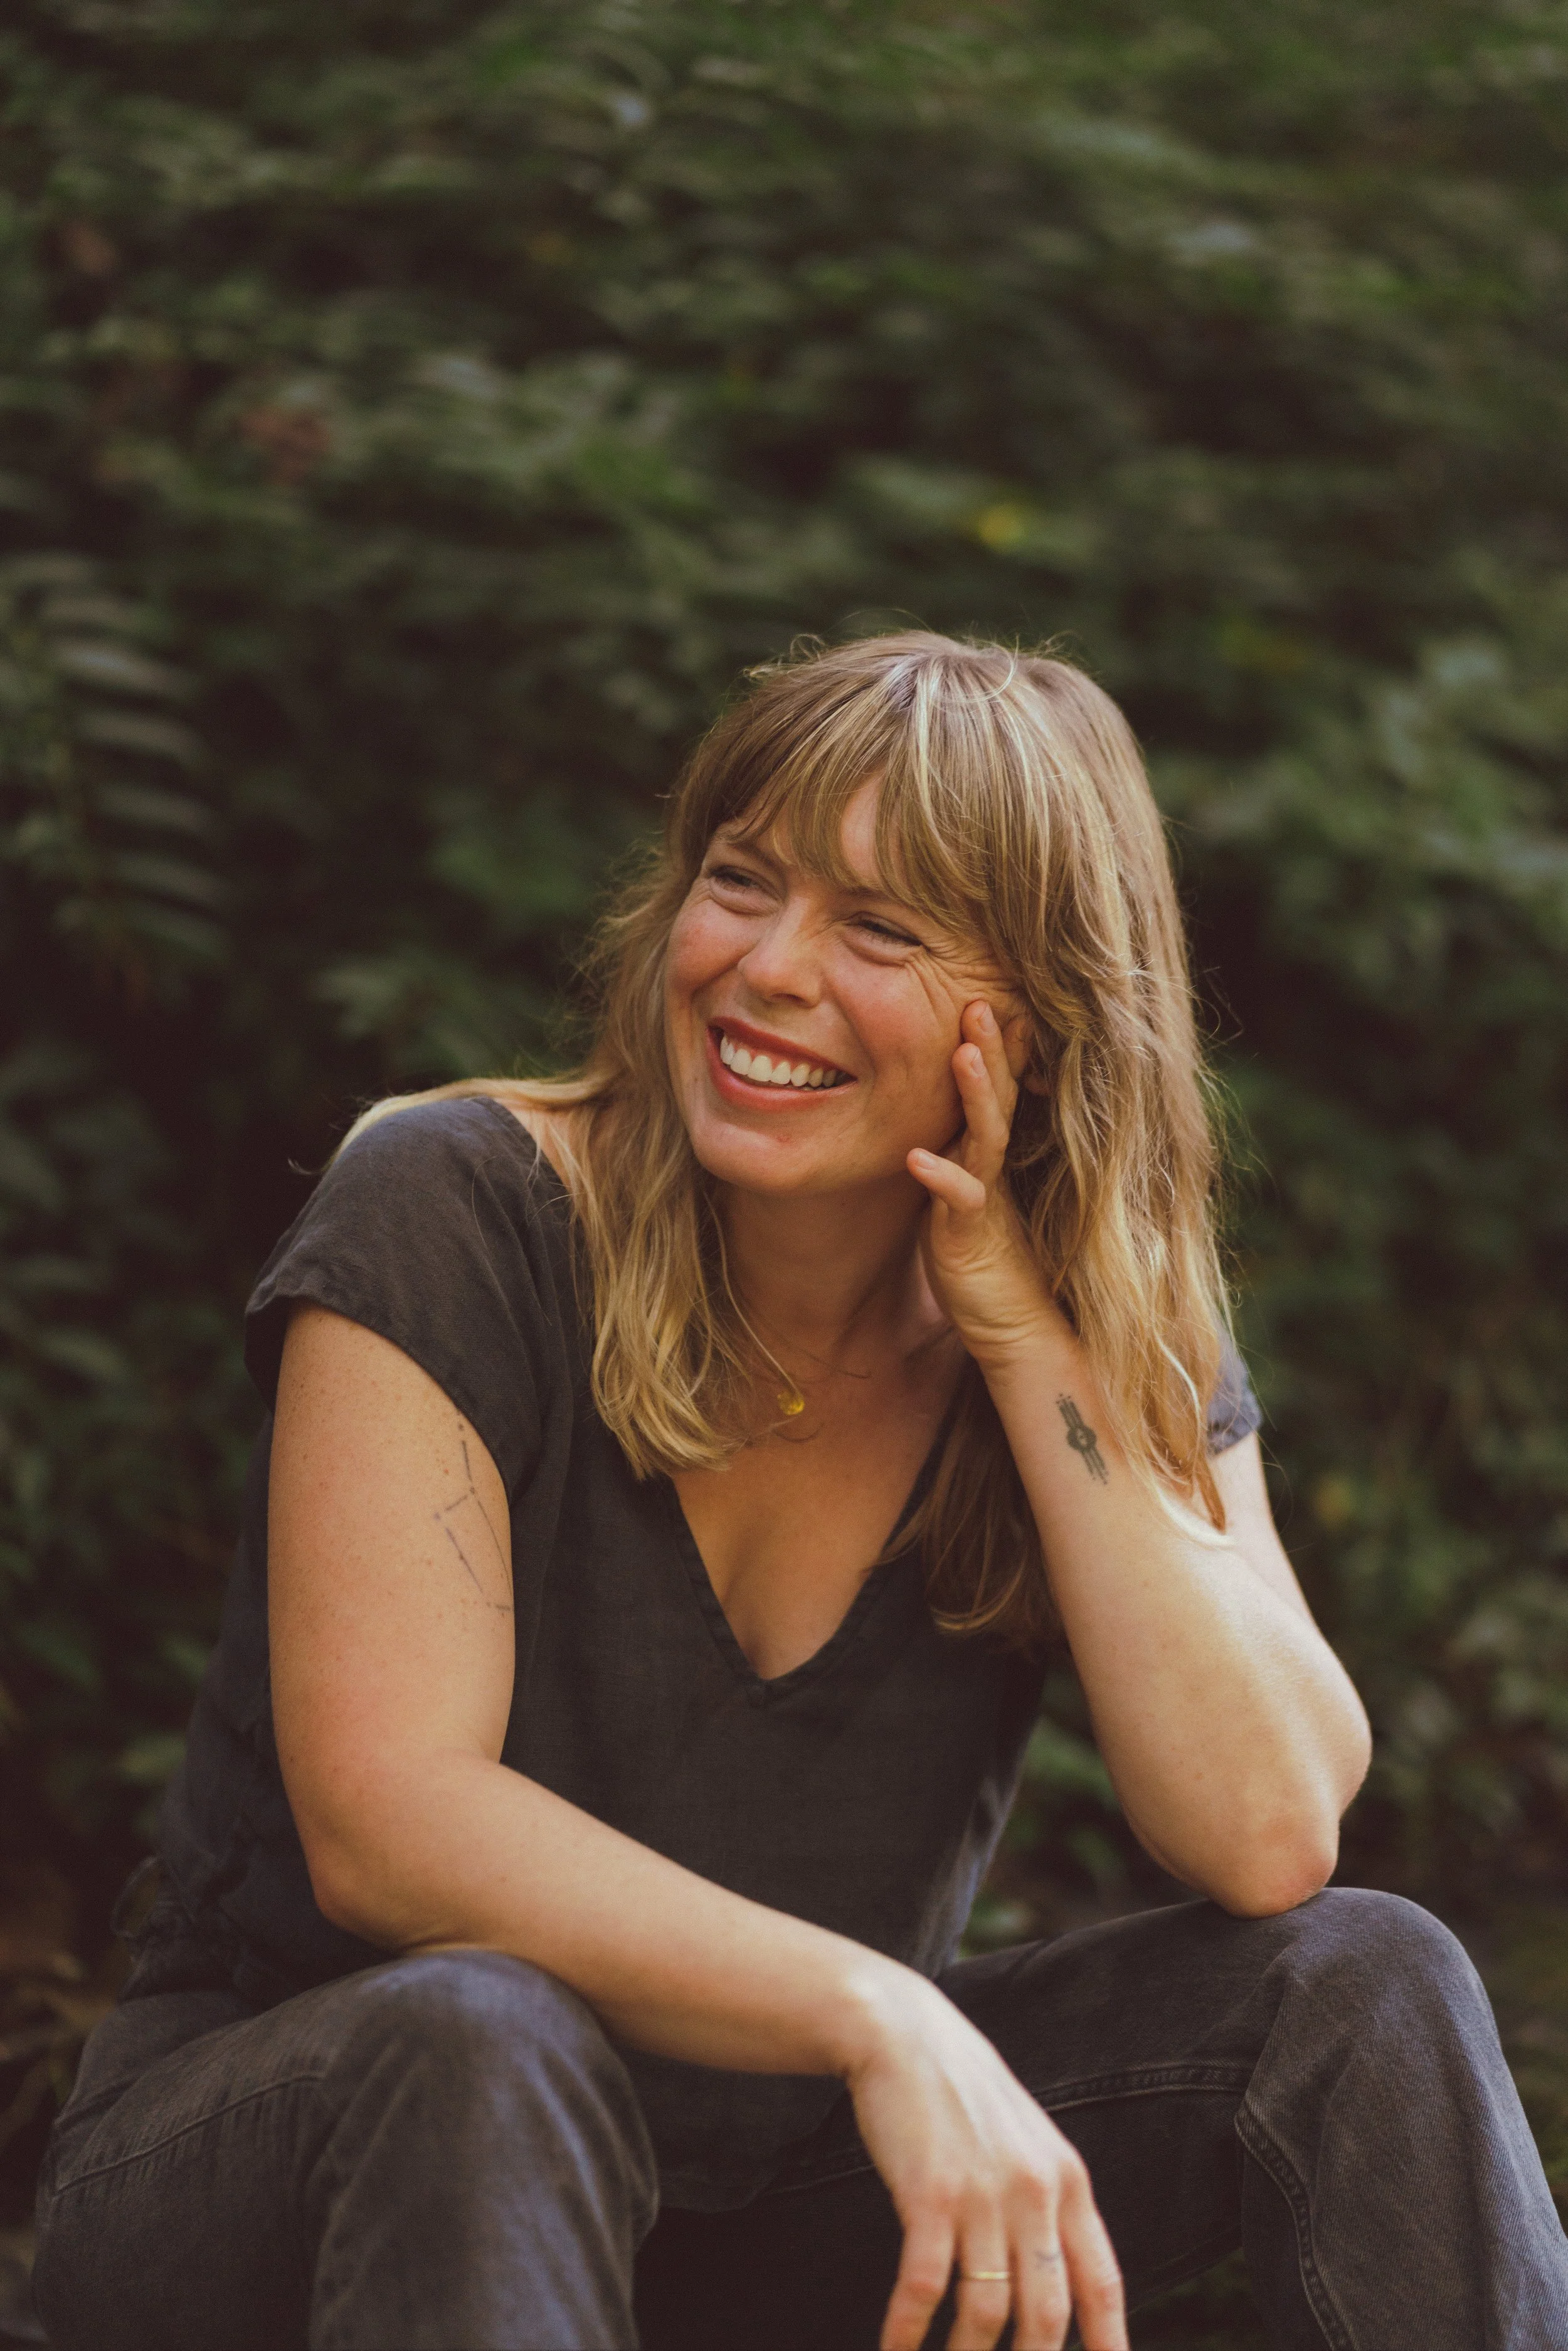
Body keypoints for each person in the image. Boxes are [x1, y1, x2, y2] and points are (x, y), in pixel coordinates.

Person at [33, 635, 1567, 2351]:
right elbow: (390, 1823)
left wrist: (1027, 1334)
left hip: (751, 2216)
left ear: (1042, 1021)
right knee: (479, 2030)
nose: (765, 968)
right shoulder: (453, 1204)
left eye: (879, 927)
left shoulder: (1083, 1321)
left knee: (1362, 1986)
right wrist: (873, 2013)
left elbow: (1266, 1827)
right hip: (293, 2171)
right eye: (740, 884)